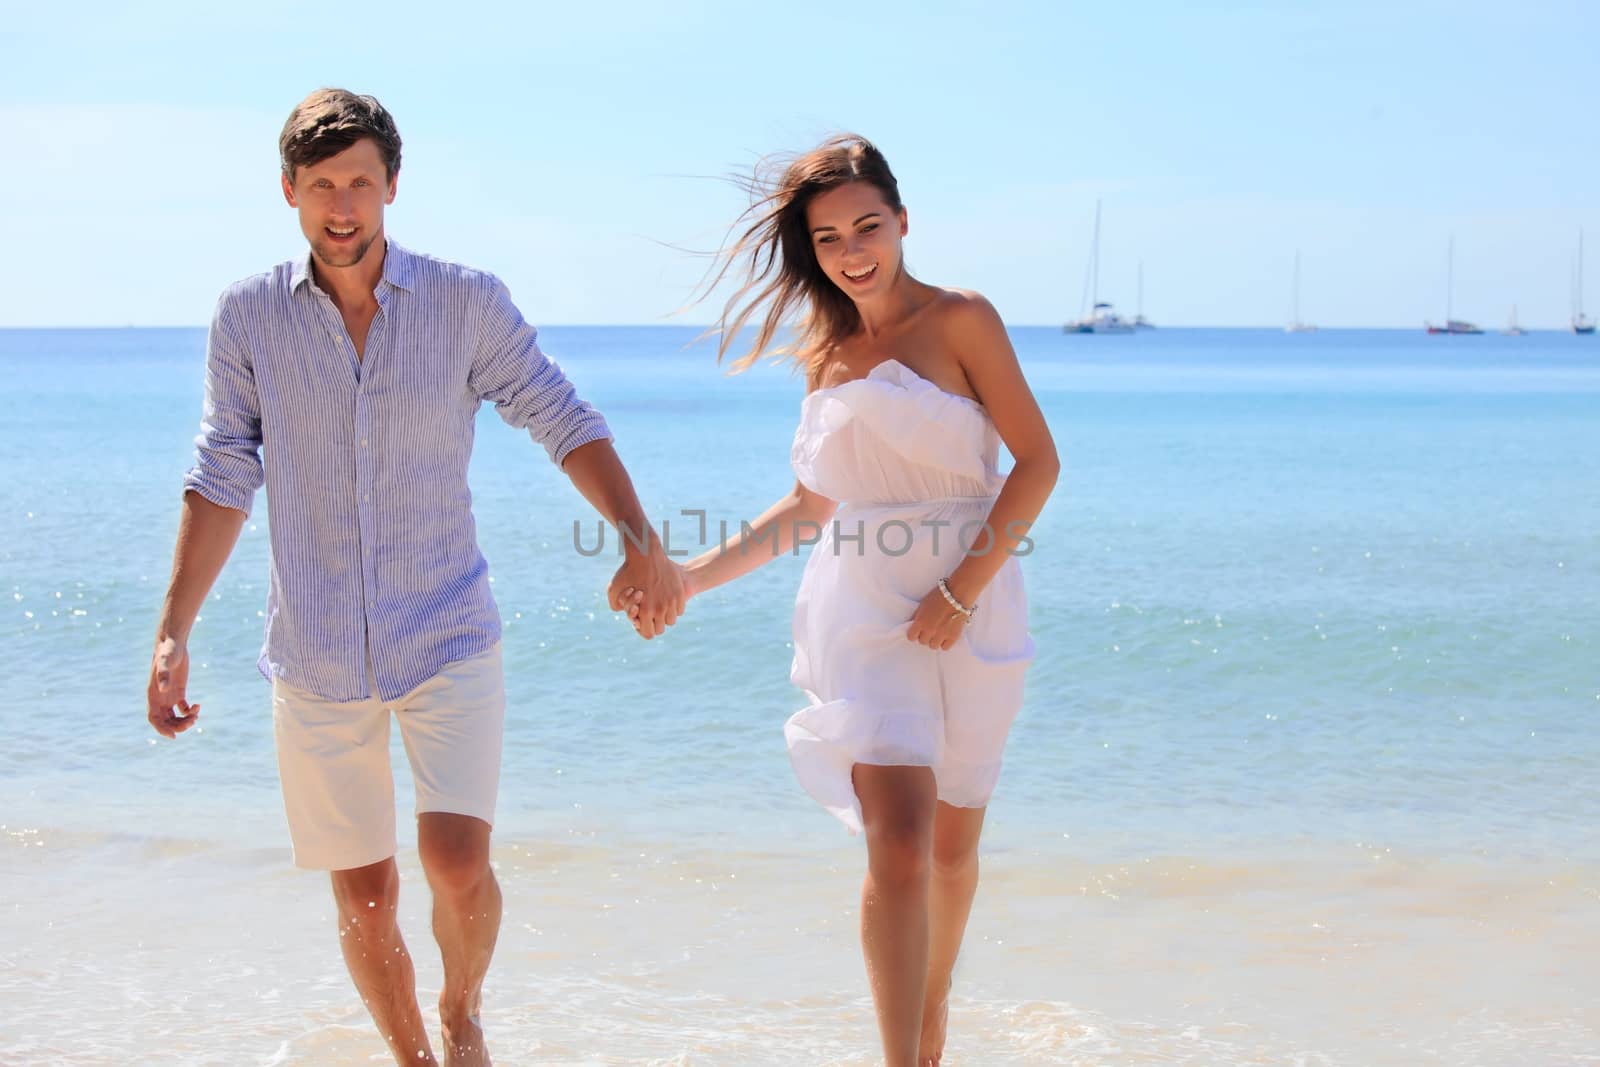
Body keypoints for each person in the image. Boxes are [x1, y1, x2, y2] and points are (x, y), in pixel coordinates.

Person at [144, 88, 683, 1067]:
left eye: (359, 182)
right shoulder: (249, 315)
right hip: (314, 652)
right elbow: (224, 466)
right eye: (321, 186)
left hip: (445, 628)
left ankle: (463, 1005)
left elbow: (560, 414)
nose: (341, 205)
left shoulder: (465, 302)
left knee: (457, 863)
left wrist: (637, 535)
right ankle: (414, 1057)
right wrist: (174, 625)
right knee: (362, 894)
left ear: (392, 186)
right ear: (289, 193)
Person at [626, 134, 1059, 1066]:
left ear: (903, 222)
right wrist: (689, 578)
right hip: (862, 606)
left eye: (868, 226)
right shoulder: (825, 353)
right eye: (828, 239)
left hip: (970, 598)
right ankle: (900, 1054)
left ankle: (931, 1009)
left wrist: (960, 587)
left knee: (950, 846)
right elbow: (811, 507)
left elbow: (1039, 462)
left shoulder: (961, 319)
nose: (852, 250)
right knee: (897, 840)